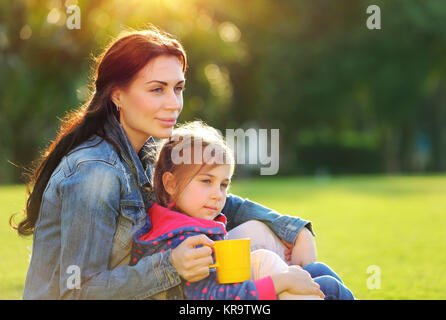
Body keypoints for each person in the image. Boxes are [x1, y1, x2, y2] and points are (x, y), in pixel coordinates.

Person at [10, 27, 318, 299]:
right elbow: (76, 292)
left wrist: (293, 230)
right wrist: (171, 265)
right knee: (277, 278)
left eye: (178, 88)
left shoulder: (149, 151)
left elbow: (216, 197)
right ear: (118, 95)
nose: (173, 103)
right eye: (157, 89)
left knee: (263, 237)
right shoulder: (94, 174)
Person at [131, 121, 354, 300]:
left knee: (319, 270)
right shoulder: (185, 239)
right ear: (170, 184)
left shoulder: (181, 221)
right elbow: (215, 298)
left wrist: (296, 233)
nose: (218, 194)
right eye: (206, 181)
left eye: (223, 185)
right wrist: (281, 282)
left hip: (246, 287)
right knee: (328, 287)